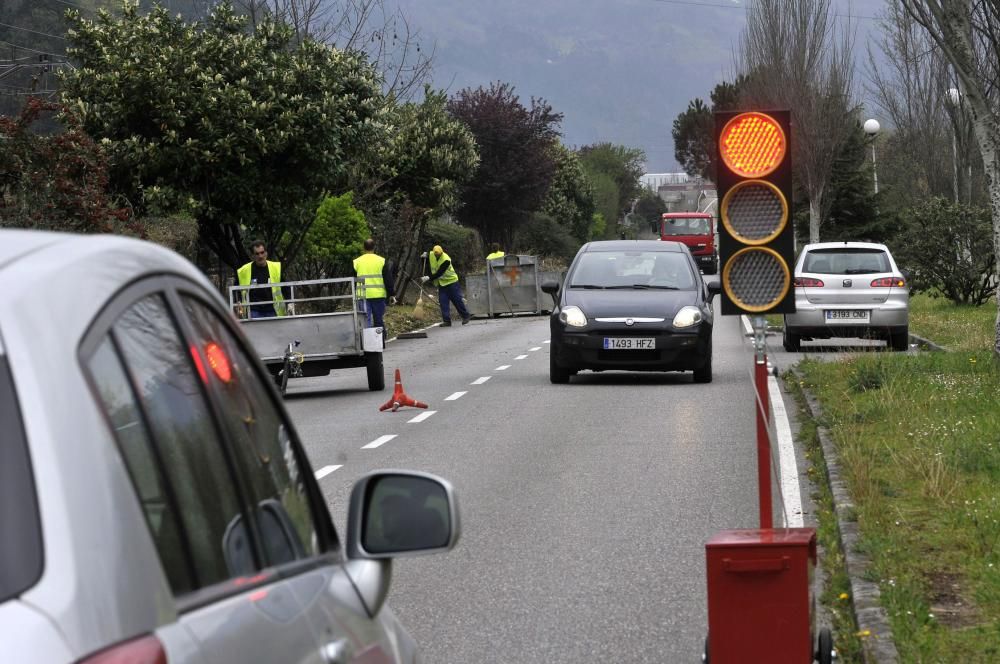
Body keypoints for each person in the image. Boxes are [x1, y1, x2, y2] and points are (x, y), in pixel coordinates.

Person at [236, 241, 292, 319]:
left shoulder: (275, 268)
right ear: (253, 256)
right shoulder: (244, 270)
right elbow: (236, 289)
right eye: (257, 254)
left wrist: (289, 302)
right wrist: (238, 303)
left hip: (272, 309)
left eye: (262, 252)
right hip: (254, 310)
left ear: (266, 253)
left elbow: (285, 287)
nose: (260, 256)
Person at [421, 244, 471, 326]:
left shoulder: (446, 260)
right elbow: (425, 261)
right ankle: (447, 321)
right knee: (443, 301)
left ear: (441, 253)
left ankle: (466, 316)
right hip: (442, 283)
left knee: (457, 300)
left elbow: (439, 273)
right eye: (435, 254)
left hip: (452, 282)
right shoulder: (432, 254)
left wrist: (428, 277)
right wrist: (423, 257)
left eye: (438, 255)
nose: (436, 256)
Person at [353, 238, 396, 330]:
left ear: (363, 248)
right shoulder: (381, 261)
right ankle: (380, 341)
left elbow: (353, 280)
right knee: (378, 320)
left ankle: (367, 342)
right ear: (374, 247)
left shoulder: (357, 262)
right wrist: (392, 293)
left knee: (365, 320)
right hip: (378, 296)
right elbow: (388, 279)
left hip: (362, 296)